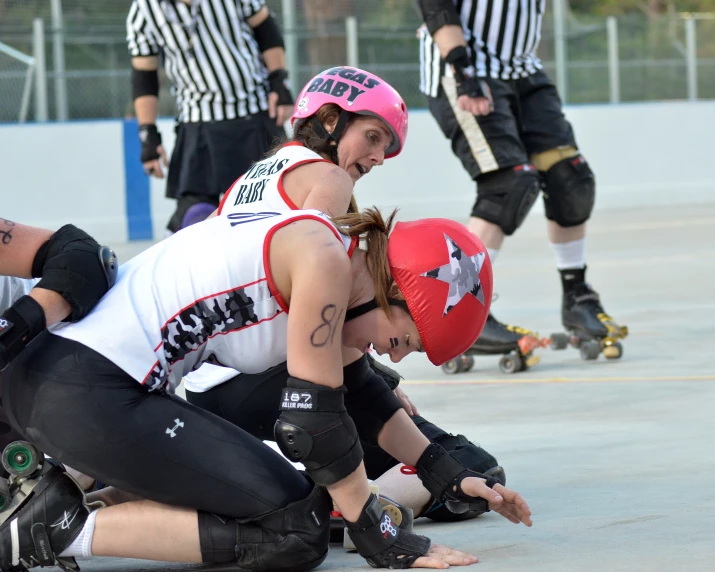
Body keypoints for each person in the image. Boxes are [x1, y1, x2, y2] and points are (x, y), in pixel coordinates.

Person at [1, 200, 532, 571]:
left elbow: (362, 393)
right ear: (393, 291)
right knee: (294, 531)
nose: (390, 353)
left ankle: (63, 511)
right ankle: (54, 527)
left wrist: (446, 473)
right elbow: (315, 424)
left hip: (77, 381)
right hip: (87, 388)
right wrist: (380, 532)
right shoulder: (324, 261)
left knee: (289, 511)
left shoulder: (328, 250)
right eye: (403, 340)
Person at [183, 66, 507, 523]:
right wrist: (371, 380)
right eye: (374, 137)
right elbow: (311, 288)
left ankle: (322, 490)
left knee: (412, 435)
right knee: (473, 467)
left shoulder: (249, 180)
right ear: (331, 119)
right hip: (261, 377)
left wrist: (372, 378)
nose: (378, 158)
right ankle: (353, 509)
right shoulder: (329, 182)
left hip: (211, 380)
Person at [415, 0, 627, 368]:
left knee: (569, 180)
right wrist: (462, 68)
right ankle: (462, 310)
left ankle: (578, 298)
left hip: (523, 70)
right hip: (462, 68)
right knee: (507, 185)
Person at [127, 0, 295, 233]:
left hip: (255, 112)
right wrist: (148, 134)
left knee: (280, 204)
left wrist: (279, 82)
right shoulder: (144, 11)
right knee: (194, 216)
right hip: (198, 122)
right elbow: (144, 76)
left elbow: (266, 30)